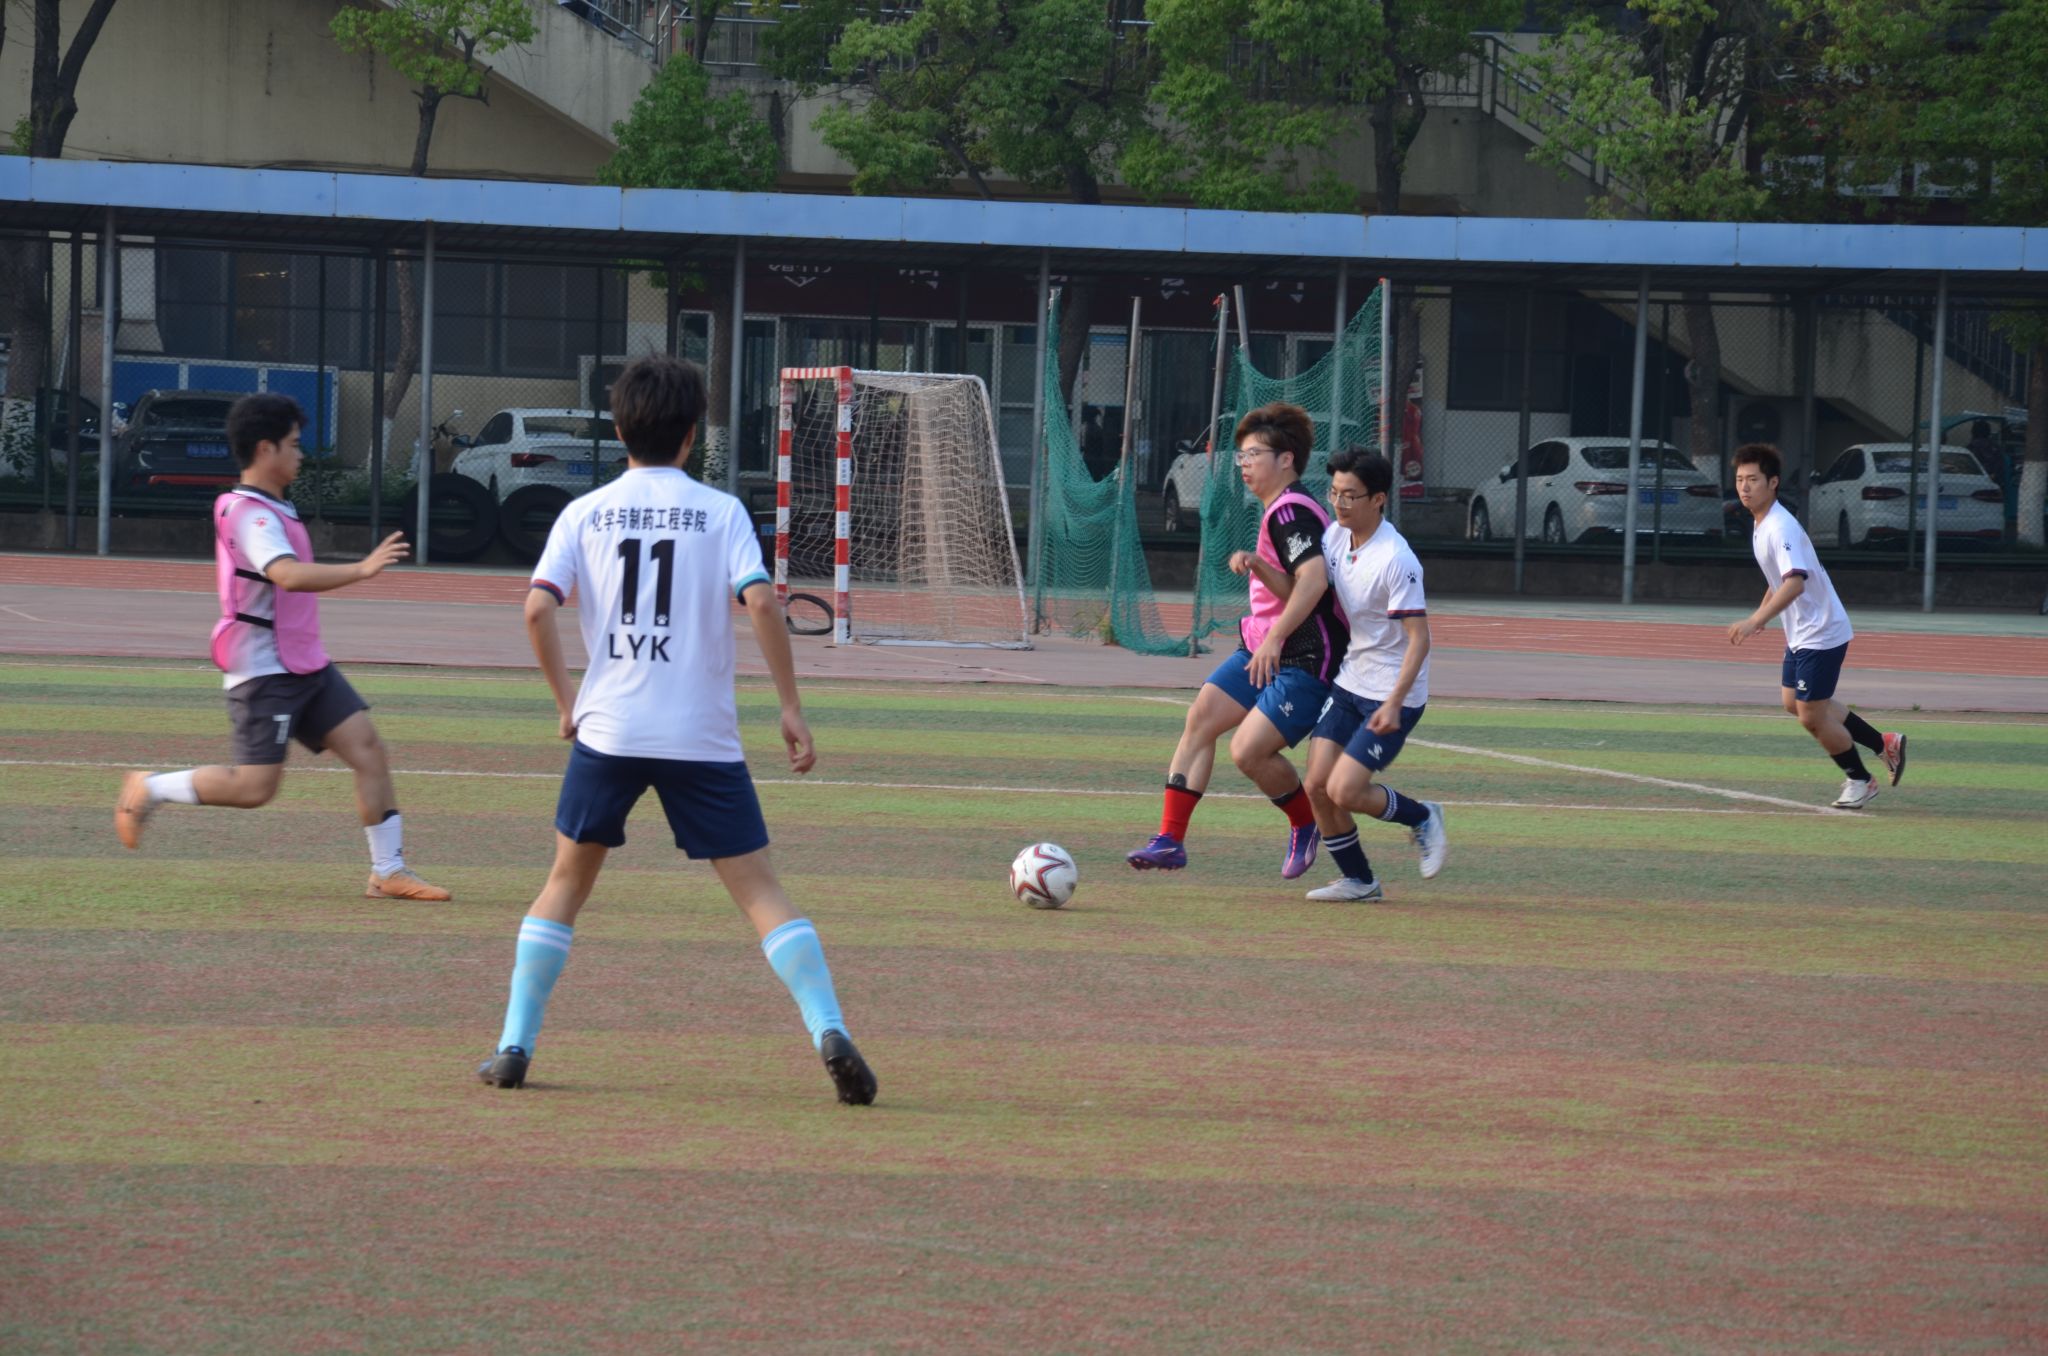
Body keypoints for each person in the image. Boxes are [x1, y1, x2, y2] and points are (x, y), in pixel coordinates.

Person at [477, 353, 875, 1106]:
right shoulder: (720, 512)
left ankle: (513, 1045)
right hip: (701, 739)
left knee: (564, 885)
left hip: (610, 733)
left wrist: (566, 702)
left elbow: (536, 608)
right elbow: (762, 602)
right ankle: (828, 1028)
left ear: (620, 428)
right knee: (761, 893)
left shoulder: (584, 512)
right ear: (692, 434)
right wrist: (790, 705)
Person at [112, 394, 451, 901]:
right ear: (265, 449)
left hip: (305, 663)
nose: (301, 454)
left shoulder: (273, 507)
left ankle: (388, 871)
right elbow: (287, 575)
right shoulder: (249, 514)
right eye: (294, 444)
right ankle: (150, 787)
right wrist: (362, 569)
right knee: (254, 789)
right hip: (264, 670)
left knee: (368, 750)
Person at [1126, 402, 1348, 880]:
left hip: (1306, 658)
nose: (1244, 464)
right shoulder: (1279, 509)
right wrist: (1260, 566)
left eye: (1253, 455)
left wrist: (1276, 639)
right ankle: (1169, 840)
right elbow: (1293, 584)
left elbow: (1314, 581)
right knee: (1201, 719)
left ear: (1285, 459)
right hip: (1265, 647)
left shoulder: (1291, 512)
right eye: (1241, 456)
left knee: (1248, 752)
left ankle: (1307, 823)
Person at [1299, 448, 1446, 901]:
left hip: (1393, 693)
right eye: (1334, 493)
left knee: (1344, 789)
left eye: (1350, 495)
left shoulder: (1396, 559)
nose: (1339, 503)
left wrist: (1394, 703)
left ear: (1378, 499)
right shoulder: (1335, 537)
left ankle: (1422, 816)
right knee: (1316, 786)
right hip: (1351, 681)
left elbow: (1419, 640)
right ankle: (1360, 881)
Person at [1727, 442, 1906, 808]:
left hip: (1820, 632)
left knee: (1810, 716)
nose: (1745, 487)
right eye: (1740, 479)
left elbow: (1795, 582)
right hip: (1802, 631)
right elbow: (1779, 578)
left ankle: (1860, 780)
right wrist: (1763, 612)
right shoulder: (1762, 524)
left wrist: (1756, 619)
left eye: (1753, 479)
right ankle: (1883, 743)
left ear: (1773, 482)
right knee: (1793, 702)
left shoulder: (1780, 527)